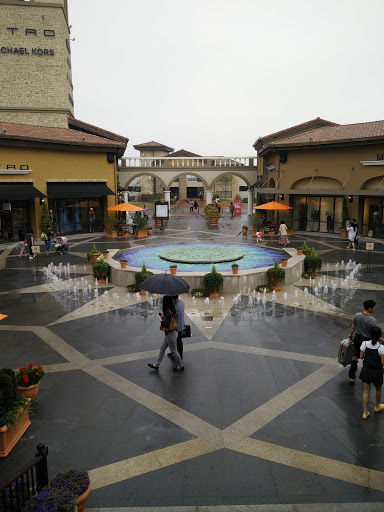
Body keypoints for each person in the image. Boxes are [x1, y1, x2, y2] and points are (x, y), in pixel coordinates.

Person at [148, 296, 184, 372]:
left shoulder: (168, 311)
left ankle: (181, 366)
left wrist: (160, 319)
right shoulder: (172, 309)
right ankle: (156, 365)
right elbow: (170, 319)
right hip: (171, 333)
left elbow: (166, 324)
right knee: (162, 349)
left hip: (171, 334)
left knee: (174, 351)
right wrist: (164, 317)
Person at [348, 300, 378, 383]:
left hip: (357, 338)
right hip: (367, 341)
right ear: (369, 308)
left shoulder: (357, 315)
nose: (374, 309)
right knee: (366, 359)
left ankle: (351, 377)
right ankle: (364, 376)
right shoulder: (373, 320)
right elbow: (373, 333)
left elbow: (353, 327)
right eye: (374, 307)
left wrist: (350, 336)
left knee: (354, 358)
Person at [359, 326, 384, 419]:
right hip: (377, 372)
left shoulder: (364, 343)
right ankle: (377, 406)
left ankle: (365, 412)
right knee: (378, 389)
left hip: (366, 370)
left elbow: (361, 357)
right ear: (379, 336)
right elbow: (382, 363)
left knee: (366, 391)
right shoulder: (381, 347)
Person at [167, 295, 185, 361]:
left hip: (176, 325)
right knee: (175, 340)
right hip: (181, 323)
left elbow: (174, 316)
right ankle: (174, 353)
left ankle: (179, 356)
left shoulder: (175, 306)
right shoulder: (181, 302)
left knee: (177, 341)